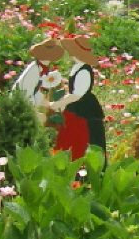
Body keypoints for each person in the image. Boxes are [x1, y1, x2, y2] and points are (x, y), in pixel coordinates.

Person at [48, 36, 106, 164]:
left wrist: (59, 103)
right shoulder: (77, 67)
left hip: (84, 109)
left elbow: (77, 94)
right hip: (75, 107)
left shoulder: (84, 70)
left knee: (86, 137)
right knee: (70, 136)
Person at [12, 35, 65, 117]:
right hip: (18, 105)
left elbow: (35, 91)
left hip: (23, 103)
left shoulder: (39, 68)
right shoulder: (34, 70)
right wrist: (34, 112)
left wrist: (47, 104)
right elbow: (26, 92)